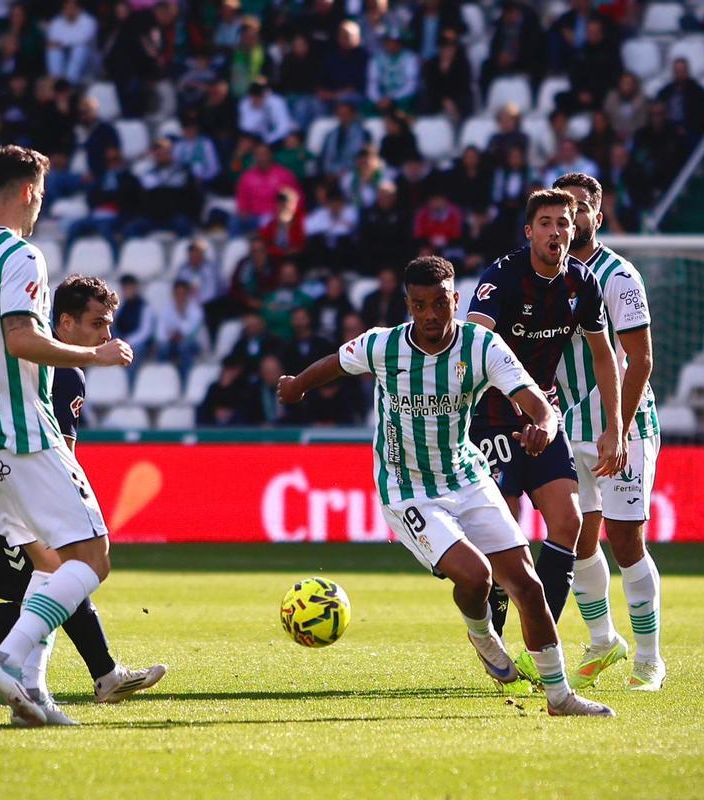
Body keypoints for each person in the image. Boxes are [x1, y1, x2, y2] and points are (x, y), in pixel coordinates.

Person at [279, 255, 615, 717]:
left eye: (441, 303)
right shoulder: (384, 346)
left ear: (456, 300)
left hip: (467, 477)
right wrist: (297, 385)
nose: (432, 315)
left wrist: (543, 425)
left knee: (528, 586)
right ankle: (481, 633)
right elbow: (335, 363)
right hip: (407, 489)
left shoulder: (482, 345)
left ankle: (560, 698)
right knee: (475, 576)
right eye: (420, 305)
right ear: (408, 305)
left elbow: (535, 399)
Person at [0, 145, 166, 726]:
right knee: (93, 560)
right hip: (25, 434)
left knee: (50, 573)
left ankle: (32, 700)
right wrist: (92, 355)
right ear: (28, 192)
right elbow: (22, 338)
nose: (40, 208)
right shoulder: (20, 255)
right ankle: (5, 660)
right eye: (41, 196)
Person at [466, 188, 625, 686]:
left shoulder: (584, 284)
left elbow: (604, 355)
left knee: (569, 521)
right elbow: (472, 346)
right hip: (490, 419)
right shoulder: (501, 278)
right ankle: (490, 629)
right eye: (547, 223)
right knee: (501, 527)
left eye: (565, 222)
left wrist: (615, 427)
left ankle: (541, 643)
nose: (557, 231)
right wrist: (519, 409)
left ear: (576, 228)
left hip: (543, 417)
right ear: (529, 231)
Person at [550, 173, 665, 691]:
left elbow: (640, 359)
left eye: (581, 208)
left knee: (625, 542)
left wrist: (617, 428)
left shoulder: (618, 276)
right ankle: (603, 641)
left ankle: (649, 658)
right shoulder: (544, 274)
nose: (571, 217)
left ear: (598, 216)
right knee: (576, 535)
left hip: (625, 426)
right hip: (569, 423)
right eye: (562, 208)